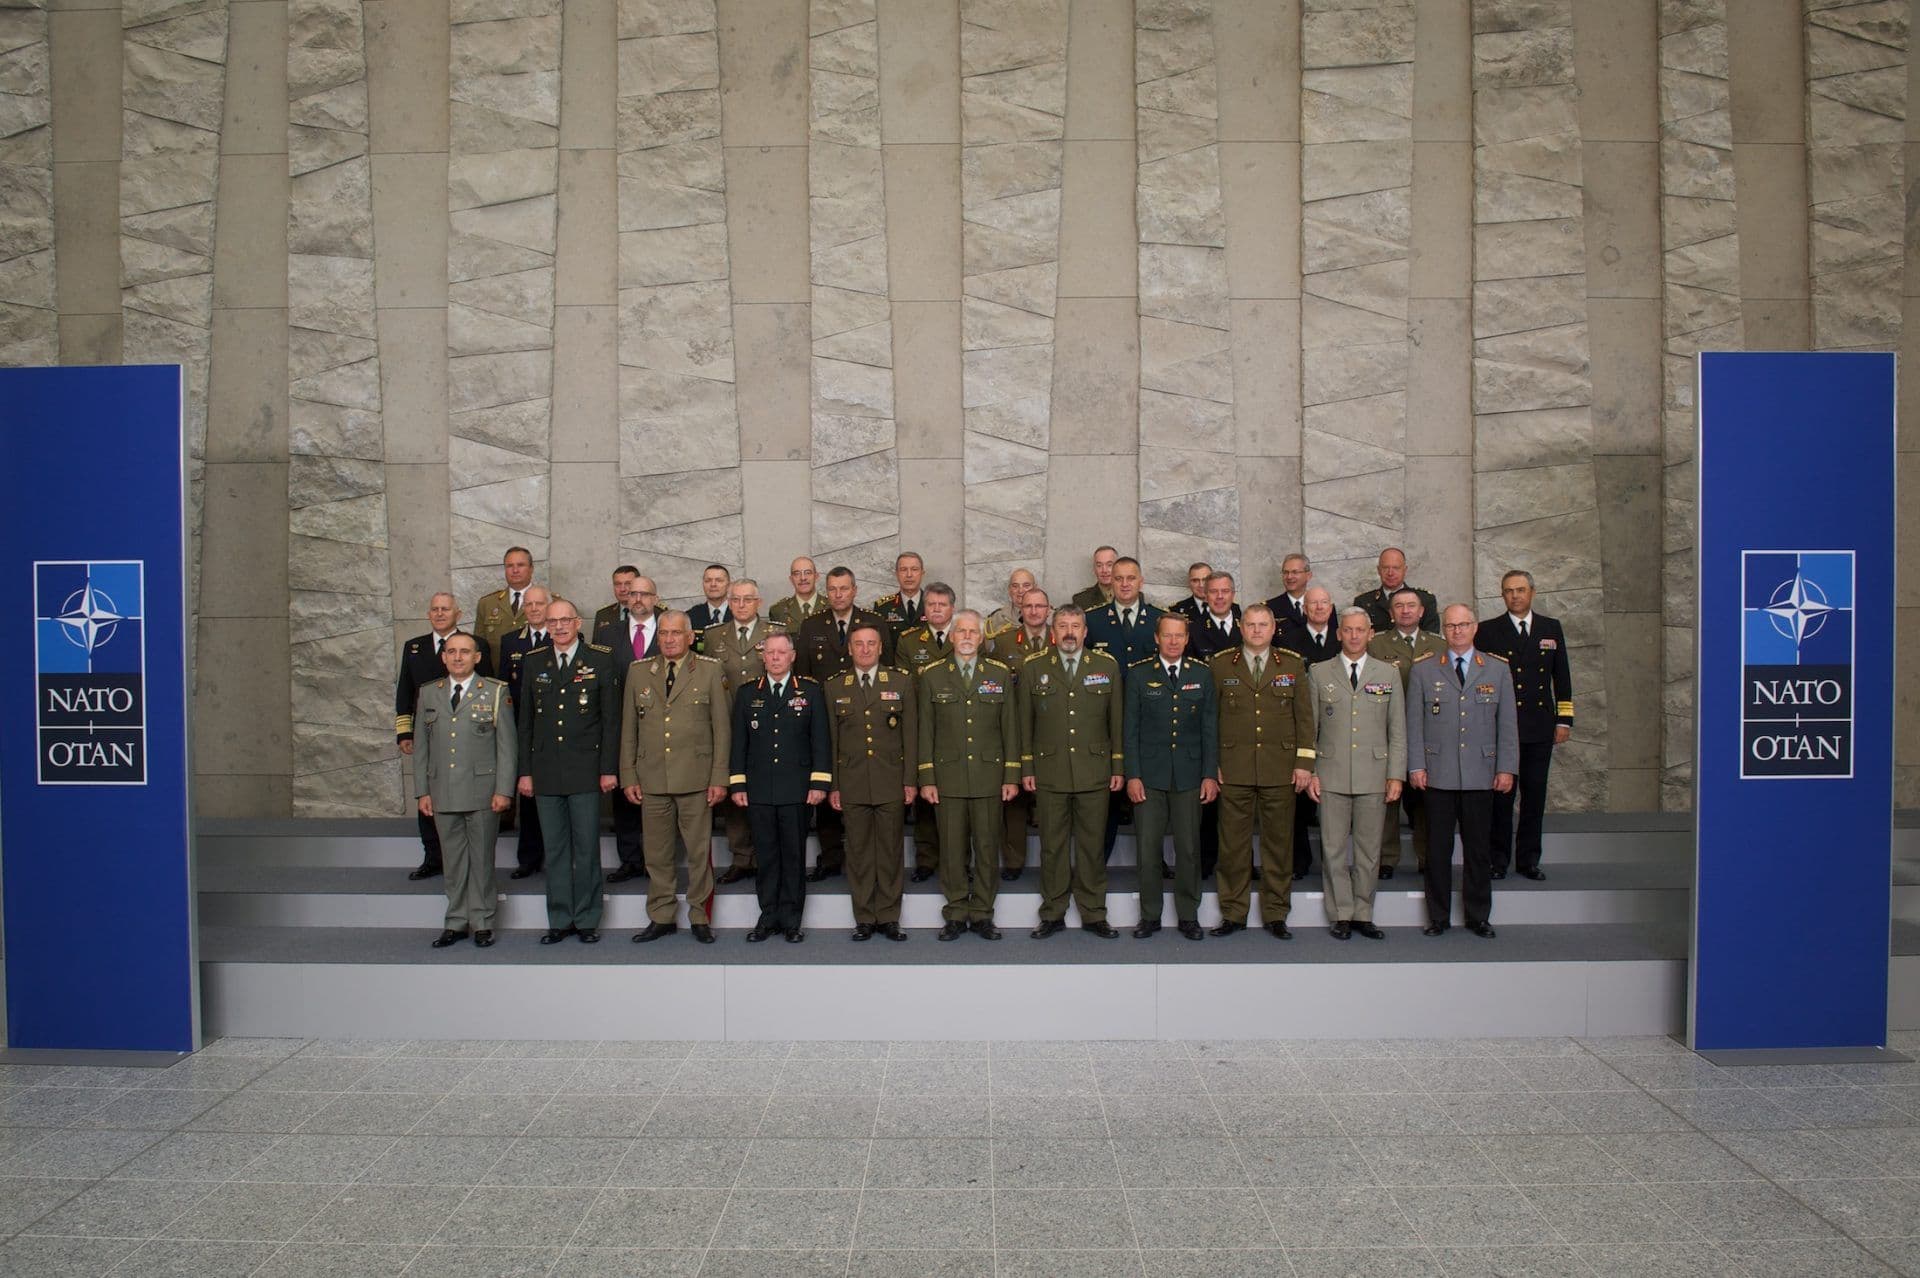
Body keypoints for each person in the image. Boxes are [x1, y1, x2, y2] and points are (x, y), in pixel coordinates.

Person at [1406, 605, 1517, 939]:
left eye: (1463, 624)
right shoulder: (1424, 671)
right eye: (1451, 625)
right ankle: (1438, 916)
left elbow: (1507, 725)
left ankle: (1477, 915)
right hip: (1437, 774)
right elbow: (1415, 724)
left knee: (1478, 849)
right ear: (1443, 629)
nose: (1457, 631)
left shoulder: (1497, 670)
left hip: (1481, 773)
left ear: (1475, 627)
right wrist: (1416, 765)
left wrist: (1507, 768)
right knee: (1437, 850)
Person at [621, 612, 730, 946]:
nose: (668, 639)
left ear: (689, 636)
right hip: (652, 778)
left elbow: (721, 730)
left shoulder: (710, 670)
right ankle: (662, 914)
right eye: (664, 633)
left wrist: (719, 778)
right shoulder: (639, 671)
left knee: (699, 853)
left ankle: (699, 915)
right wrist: (628, 774)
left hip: (696, 777)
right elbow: (629, 729)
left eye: (675, 633)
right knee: (657, 853)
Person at [515, 600, 620, 944]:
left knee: (587, 847)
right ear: (545, 625)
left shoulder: (599, 660)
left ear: (577, 622)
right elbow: (526, 723)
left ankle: (588, 918)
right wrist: (525, 772)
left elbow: (610, 722)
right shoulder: (535, 662)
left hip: (586, 771)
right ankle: (560, 918)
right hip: (546, 772)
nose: (559, 627)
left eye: (565, 620)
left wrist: (608, 769)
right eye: (552, 621)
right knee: (556, 849)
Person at [1208, 604, 1314, 940]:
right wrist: (1212, 766)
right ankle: (1233, 913)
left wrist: (1304, 764)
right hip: (1234, 768)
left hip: (1279, 769)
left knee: (1278, 846)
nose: (1256, 631)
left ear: (1273, 628)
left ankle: (1275, 913)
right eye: (1251, 625)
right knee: (1233, 847)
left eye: (1262, 625)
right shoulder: (1221, 663)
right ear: (1241, 627)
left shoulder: (1293, 665)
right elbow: (1209, 721)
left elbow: (1305, 719)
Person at [1018, 605, 1122, 939]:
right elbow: (1025, 723)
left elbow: (1115, 722)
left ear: (1085, 631)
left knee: (1092, 846)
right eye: (1062, 625)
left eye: (1075, 626)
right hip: (1050, 770)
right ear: (1053, 631)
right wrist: (1027, 766)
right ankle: (1053, 912)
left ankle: (1094, 912)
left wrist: (1117, 765)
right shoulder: (1034, 667)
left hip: (1094, 770)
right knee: (1053, 845)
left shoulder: (1106, 666)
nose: (1069, 632)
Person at [917, 611, 1020, 940]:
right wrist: (927, 778)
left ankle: (983, 913)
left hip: (989, 774)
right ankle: (956, 911)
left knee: (988, 847)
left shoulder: (999, 674)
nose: (965, 636)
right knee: (951, 847)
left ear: (981, 638)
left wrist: (1011, 775)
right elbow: (925, 732)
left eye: (972, 632)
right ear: (951, 636)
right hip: (947, 777)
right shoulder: (932, 675)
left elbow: (1011, 729)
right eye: (960, 630)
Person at [1306, 607, 1406, 940]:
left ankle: (1363, 912)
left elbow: (1398, 730)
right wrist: (1311, 772)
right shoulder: (1319, 673)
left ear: (1370, 634)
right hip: (1331, 772)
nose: (1353, 636)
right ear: (1338, 633)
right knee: (1332, 848)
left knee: (1368, 849)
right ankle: (1341, 913)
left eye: (1359, 630)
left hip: (1374, 773)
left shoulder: (1387, 673)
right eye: (1347, 630)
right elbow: (1311, 729)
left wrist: (1396, 775)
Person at [411, 632, 515, 949]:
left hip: (483, 791)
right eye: (452, 652)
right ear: (443, 657)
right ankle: (456, 921)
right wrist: (422, 792)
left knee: (482, 860)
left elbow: (507, 748)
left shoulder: (496, 692)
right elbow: (421, 748)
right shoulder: (429, 693)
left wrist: (504, 790)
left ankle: (482, 921)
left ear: (477, 657)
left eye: (465, 652)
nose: (458, 657)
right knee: (453, 862)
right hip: (443, 792)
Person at [729, 632, 831, 942]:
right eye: (770, 652)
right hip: (759, 789)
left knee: (793, 855)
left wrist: (819, 782)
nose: (775, 657)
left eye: (780, 652)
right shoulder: (748, 694)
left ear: (792, 656)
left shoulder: (810, 692)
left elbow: (821, 741)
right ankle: (767, 915)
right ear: (763, 657)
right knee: (766, 855)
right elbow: (739, 745)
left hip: (797, 789)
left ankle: (791, 919)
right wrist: (737, 784)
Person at [1475, 569, 1573, 881]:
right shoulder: (1489, 631)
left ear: (1532, 592)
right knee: (1501, 798)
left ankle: (1529, 860)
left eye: (1520, 590)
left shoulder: (1550, 628)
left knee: (1534, 795)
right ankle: (1497, 859)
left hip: (1539, 726)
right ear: (1502, 595)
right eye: (1508, 591)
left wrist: (1564, 720)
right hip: (1500, 728)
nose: (1515, 596)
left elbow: (1562, 678)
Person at [1124, 614, 1218, 940]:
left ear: (1187, 638)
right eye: (1168, 636)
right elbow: (1129, 731)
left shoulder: (1203, 675)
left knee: (1189, 848)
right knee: (1148, 849)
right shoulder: (1138, 675)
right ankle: (1150, 915)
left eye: (1179, 636)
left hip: (1190, 775)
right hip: (1149, 776)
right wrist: (1132, 775)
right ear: (1157, 638)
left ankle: (1188, 914)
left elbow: (1210, 729)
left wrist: (1210, 775)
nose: (1174, 641)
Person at [795, 567, 890, 882]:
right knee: (827, 785)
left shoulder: (874, 623)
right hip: (824, 717)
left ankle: (870, 858)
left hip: (867, 716)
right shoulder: (811, 625)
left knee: (867, 788)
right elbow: (805, 678)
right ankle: (832, 855)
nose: (838, 594)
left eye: (844, 588)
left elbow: (886, 670)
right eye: (832, 589)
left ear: (855, 590)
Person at [826, 622, 916, 941]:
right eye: (858, 644)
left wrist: (910, 780)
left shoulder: (901, 682)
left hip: (890, 779)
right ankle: (864, 916)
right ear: (849, 649)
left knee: (890, 851)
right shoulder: (835, 686)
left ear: (880, 648)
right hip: (851, 781)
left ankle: (889, 916)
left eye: (871, 644)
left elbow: (910, 736)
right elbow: (831, 741)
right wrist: (834, 785)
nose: (865, 649)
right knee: (860, 853)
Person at [395, 592, 493, 881]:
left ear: (458, 614)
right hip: (429, 734)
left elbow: (487, 688)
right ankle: (432, 856)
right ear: (429, 614)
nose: (439, 614)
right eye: (434, 609)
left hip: (469, 735)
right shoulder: (414, 648)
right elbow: (405, 692)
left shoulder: (476, 645)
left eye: (445, 609)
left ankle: (463, 862)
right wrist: (405, 731)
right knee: (429, 796)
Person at [702, 578, 782, 885]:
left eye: (747, 599)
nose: (741, 604)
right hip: (729, 724)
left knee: (763, 791)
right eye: (735, 599)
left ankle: (765, 856)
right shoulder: (713, 636)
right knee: (735, 792)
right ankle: (741, 857)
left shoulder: (775, 633)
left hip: (768, 726)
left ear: (759, 603)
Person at [1085, 556, 1165, 864]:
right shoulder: (1093, 620)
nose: (1124, 583)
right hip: (1106, 720)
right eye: (1118, 578)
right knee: (1108, 795)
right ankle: (1097, 862)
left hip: (1151, 722)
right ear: (1110, 582)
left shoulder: (1159, 619)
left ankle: (1155, 861)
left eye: (1131, 578)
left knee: (1151, 796)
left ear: (1141, 581)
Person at [1366, 586, 1446, 881]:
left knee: (1426, 798)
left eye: (1411, 605)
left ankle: (1426, 855)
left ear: (1422, 611)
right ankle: (1387, 857)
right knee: (1388, 797)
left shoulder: (1439, 646)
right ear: (1391, 613)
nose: (1406, 611)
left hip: (1428, 733)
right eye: (1399, 606)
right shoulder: (1376, 645)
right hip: (1386, 731)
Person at [987, 586, 1054, 879]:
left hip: (1052, 728)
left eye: (1040, 606)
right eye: (1029, 606)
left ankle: (1052, 862)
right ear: (1020, 610)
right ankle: (1013, 860)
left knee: (1051, 796)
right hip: (1012, 728)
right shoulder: (1002, 643)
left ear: (1048, 610)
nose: (1034, 611)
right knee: (1012, 799)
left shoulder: (1061, 639)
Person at [891, 584, 956, 883]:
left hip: (957, 727)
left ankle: (958, 859)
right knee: (926, 797)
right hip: (922, 726)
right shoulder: (908, 641)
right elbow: (906, 688)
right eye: (931, 604)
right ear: (924, 609)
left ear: (952, 608)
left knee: (957, 796)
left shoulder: (965, 636)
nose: (937, 609)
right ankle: (927, 858)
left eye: (942, 604)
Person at [601, 573, 661, 886]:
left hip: (660, 724)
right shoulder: (608, 634)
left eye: (644, 594)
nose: (637, 599)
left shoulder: (669, 629)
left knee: (656, 796)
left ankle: (655, 860)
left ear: (655, 598)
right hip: (621, 723)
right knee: (625, 794)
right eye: (633, 594)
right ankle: (629, 860)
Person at [495, 585, 552, 879]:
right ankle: (528, 858)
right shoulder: (510, 642)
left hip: (556, 731)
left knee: (553, 796)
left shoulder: (565, 636)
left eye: (539, 604)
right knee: (528, 797)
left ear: (548, 606)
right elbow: (504, 690)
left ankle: (554, 856)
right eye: (528, 605)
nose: (533, 609)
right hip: (523, 730)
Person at [1281, 585, 1338, 879]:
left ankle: (1334, 866)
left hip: (1338, 727)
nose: (1318, 608)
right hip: (1302, 724)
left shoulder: (1343, 638)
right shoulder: (1290, 640)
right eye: (1313, 604)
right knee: (1299, 802)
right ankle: (1299, 863)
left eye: (1323, 602)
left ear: (1331, 606)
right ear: (1304, 609)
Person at [1353, 547, 1439, 634]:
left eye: (1396, 568)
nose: (1390, 573)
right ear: (1379, 570)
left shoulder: (1425, 600)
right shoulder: (1363, 603)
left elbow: (1432, 640)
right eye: (1385, 568)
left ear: (1405, 570)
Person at [472, 546, 533, 658]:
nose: (515, 570)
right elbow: (478, 646)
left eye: (520, 565)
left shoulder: (549, 602)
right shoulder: (487, 604)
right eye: (510, 566)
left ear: (531, 568)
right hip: (496, 673)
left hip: (534, 673)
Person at [870, 550, 928, 638]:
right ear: (896, 574)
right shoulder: (883, 607)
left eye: (914, 569)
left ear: (922, 573)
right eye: (903, 570)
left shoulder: (934, 604)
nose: (909, 575)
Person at [1187, 571, 1243, 661]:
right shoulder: (1192, 631)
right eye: (1213, 591)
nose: (1219, 596)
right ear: (1205, 596)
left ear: (1233, 595)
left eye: (1225, 591)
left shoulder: (1248, 626)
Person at [768, 556, 825, 631]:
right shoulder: (778, 611)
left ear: (816, 576)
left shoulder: (831, 606)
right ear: (791, 579)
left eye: (808, 573)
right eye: (797, 574)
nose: (803, 578)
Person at [1264, 553, 1313, 627]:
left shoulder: (1323, 607)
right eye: (1285, 572)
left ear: (1308, 575)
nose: (1289, 577)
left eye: (1295, 572)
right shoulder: (1269, 608)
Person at [984, 566, 1037, 633]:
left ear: (1035, 588)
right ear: (1009, 590)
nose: (1020, 590)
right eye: (1015, 586)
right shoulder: (996, 619)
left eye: (1026, 585)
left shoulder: (1050, 617)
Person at [689, 564, 733, 637]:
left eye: (719, 580)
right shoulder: (691, 616)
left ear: (729, 585)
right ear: (703, 584)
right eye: (708, 580)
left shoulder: (739, 614)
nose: (713, 584)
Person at [1072, 545, 1119, 609]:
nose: (1104, 570)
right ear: (1094, 568)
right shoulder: (1081, 600)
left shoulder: (1131, 596)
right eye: (1099, 565)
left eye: (1109, 565)